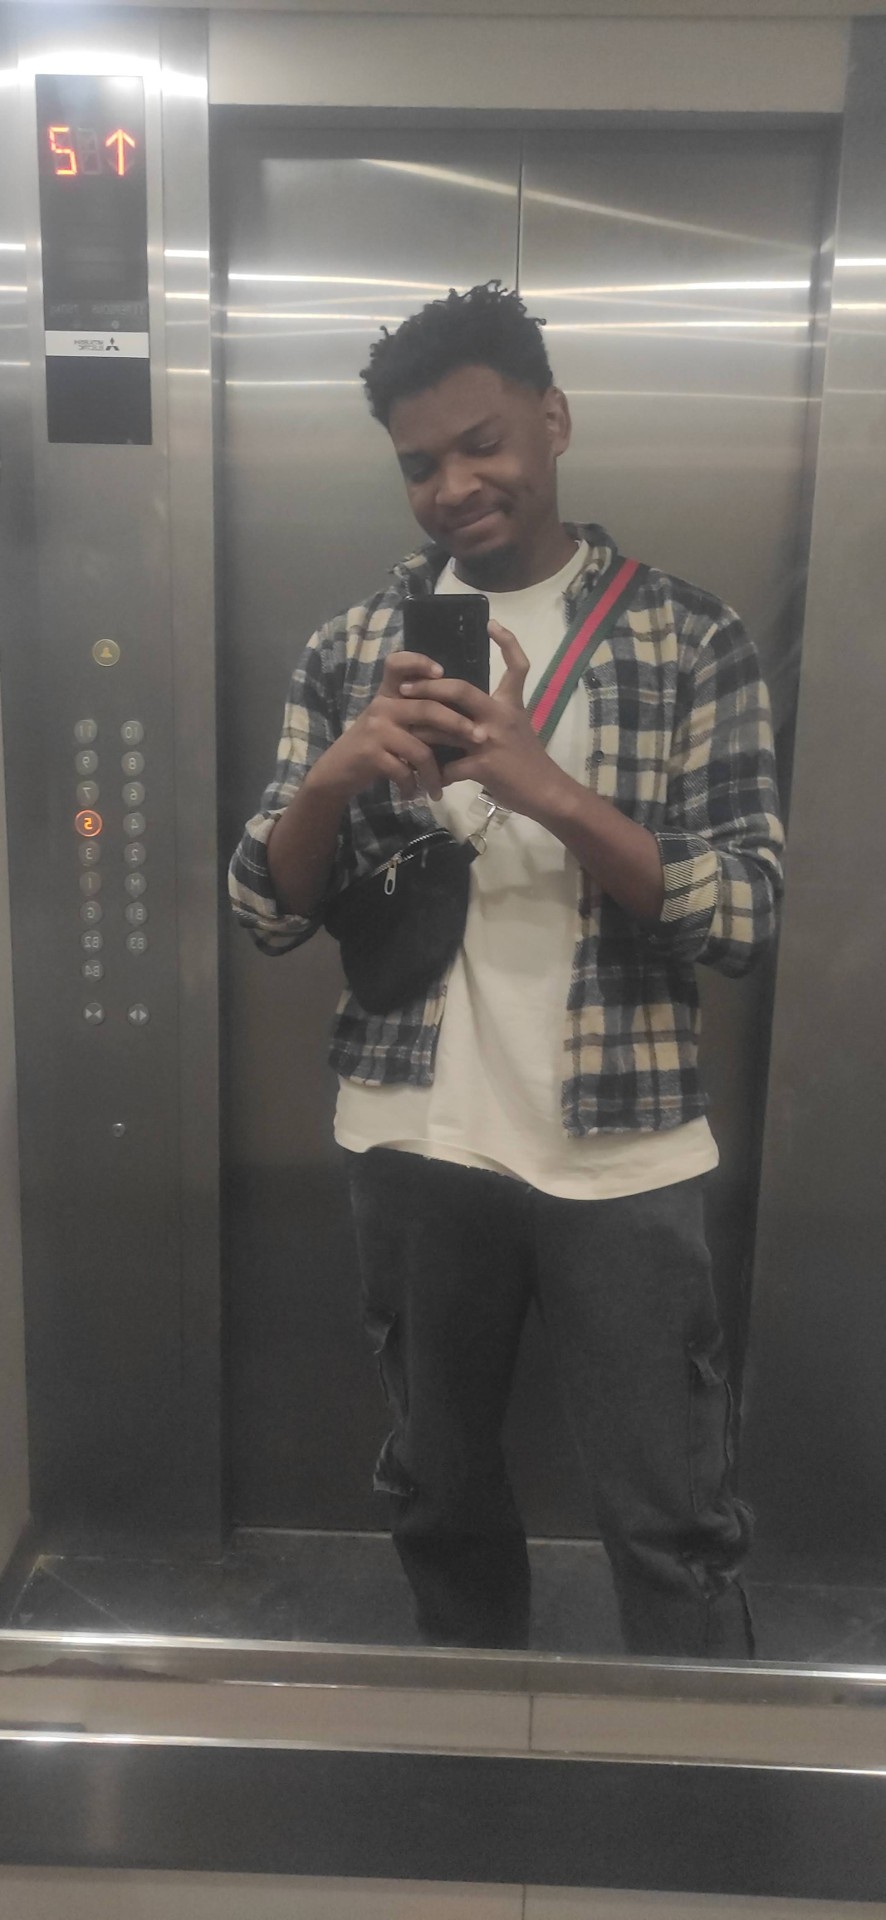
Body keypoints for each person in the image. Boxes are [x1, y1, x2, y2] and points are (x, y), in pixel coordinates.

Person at [229, 283, 784, 1658]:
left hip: (622, 1150)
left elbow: (746, 912)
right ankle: (472, 1746)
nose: (456, 487)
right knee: (441, 1499)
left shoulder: (687, 635)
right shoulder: (353, 649)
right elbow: (264, 909)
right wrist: (336, 777)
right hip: (414, 1134)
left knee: (672, 1518)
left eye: (482, 443)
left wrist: (549, 789)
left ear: (554, 418)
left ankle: (697, 1770)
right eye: (421, 464)